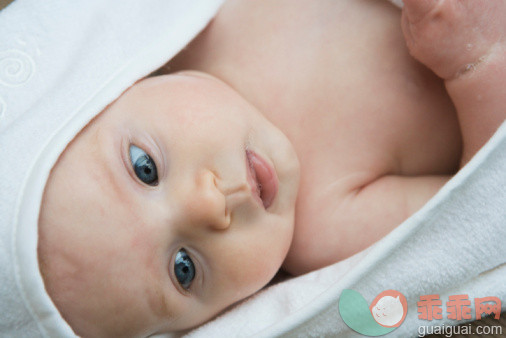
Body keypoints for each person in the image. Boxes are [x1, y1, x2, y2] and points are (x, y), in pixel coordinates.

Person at [35, 0, 506, 336]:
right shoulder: (327, 226)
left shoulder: (207, 20)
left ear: (111, 88)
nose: (209, 205)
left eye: (145, 169)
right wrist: (480, 61)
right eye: (183, 269)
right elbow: (483, 198)